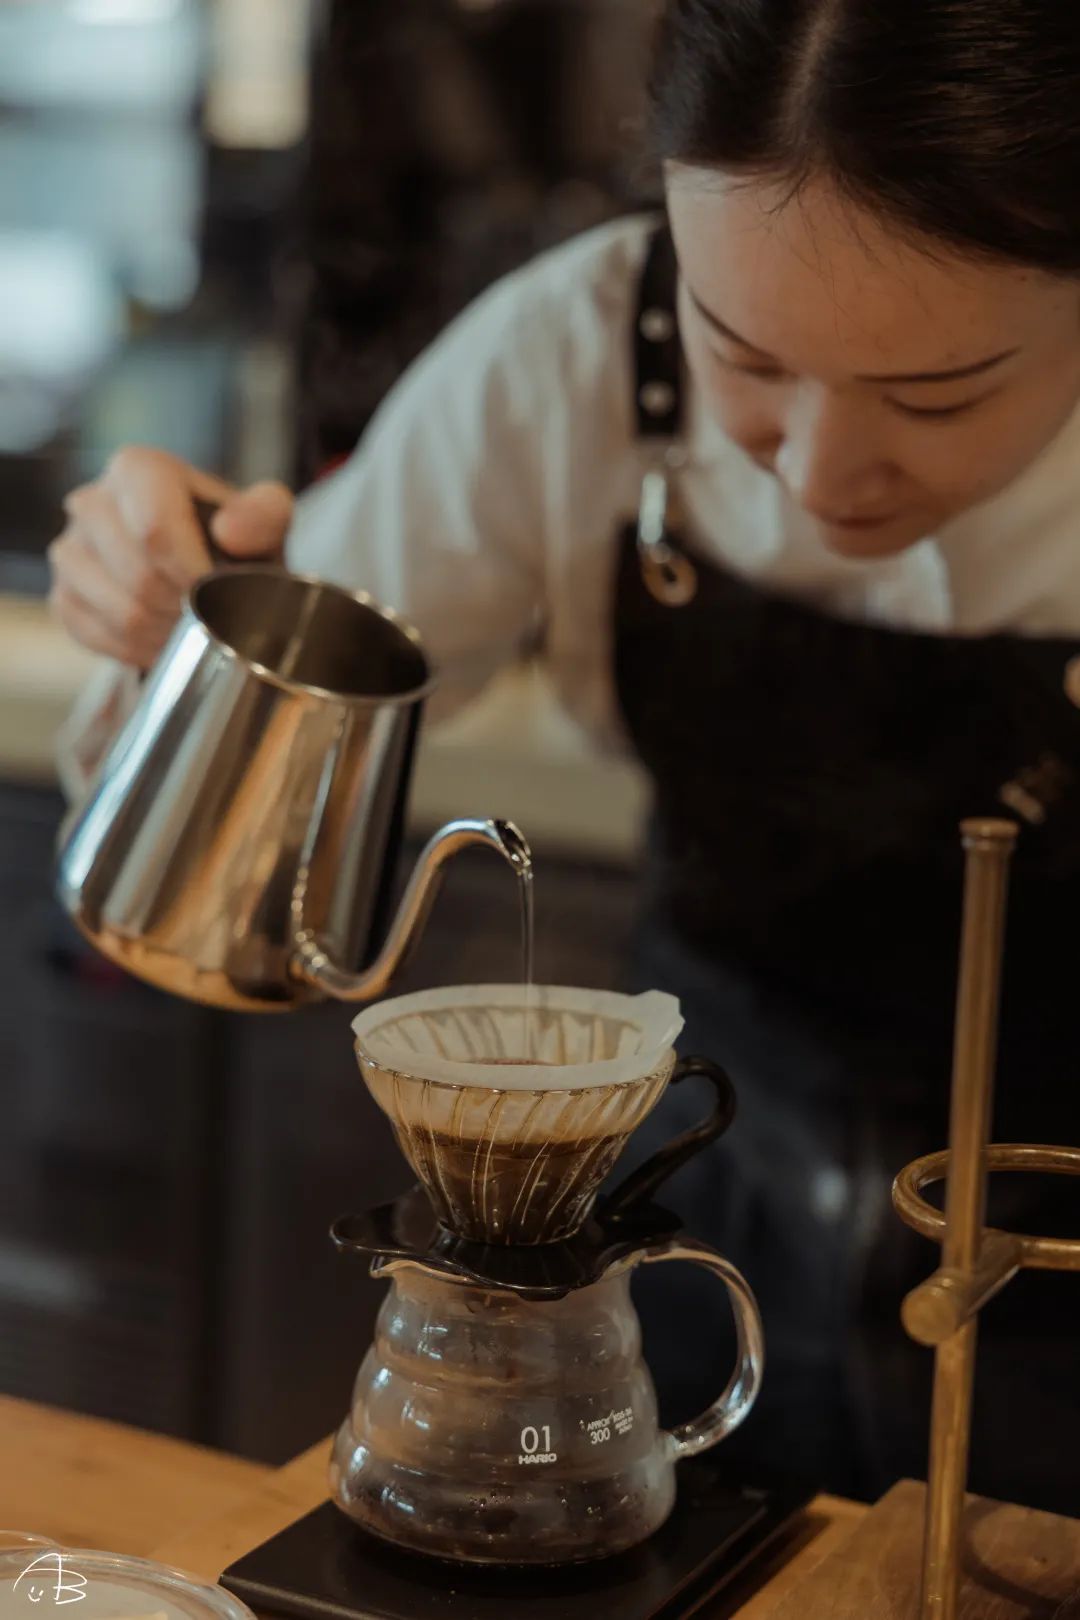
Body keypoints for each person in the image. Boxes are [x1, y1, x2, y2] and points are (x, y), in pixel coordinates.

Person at [50, 0, 1080, 1512]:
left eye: (938, 394)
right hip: (691, 1208)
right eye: (748, 360)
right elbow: (227, 801)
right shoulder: (576, 353)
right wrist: (171, 631)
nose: (814, 470)